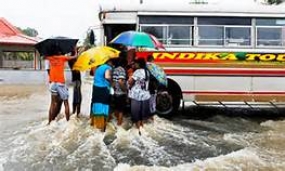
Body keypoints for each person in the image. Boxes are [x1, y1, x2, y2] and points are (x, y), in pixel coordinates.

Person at [46, 46, 77, 125]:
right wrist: (75, 50)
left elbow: (44, 56)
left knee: (52, 103)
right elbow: (75, 57)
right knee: (66, 103)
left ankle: (49, 122)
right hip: (60, 83)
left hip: (52, 84)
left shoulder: (50, 58)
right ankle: (68, 122)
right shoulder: (62, 58)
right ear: (59, 52)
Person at [128, 58, 151, 135]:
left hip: (137, 96)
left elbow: (131, 82)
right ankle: (142, 128)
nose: (135, 65)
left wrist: (129, 79)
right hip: (145, 95)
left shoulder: (137, 72)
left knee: (136, 115)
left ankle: (138, 130)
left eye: (136, 63)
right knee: (142, 115)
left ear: (139, 64)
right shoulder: (147, 72)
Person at [90, 59, 114, 132]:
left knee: (96, 106)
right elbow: (107, 77)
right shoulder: (107, 67)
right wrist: (111, 82)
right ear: (109, 62)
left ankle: (94, 125)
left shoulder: (99, 67)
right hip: (103, 89)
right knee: (103, 107)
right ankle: (102, 129)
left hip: (96, 88)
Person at [112, 58, 128, 126]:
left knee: (116, 109)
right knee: (121, 111)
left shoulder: (115, 70)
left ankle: (115, 126)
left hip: (115, 93)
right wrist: (125, 90)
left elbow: (113, 82)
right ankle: (119, 126)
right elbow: (120, 81)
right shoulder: (122, 70)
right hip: (121, 93)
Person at [146, 55, 159, 121]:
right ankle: (152, 118)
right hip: (152, 87)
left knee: (147, 102)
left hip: (146, 87)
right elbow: (156, 77)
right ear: (152, 60)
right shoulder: (153, 67)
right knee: (152, 102)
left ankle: (148, 116)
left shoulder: (144, 67)